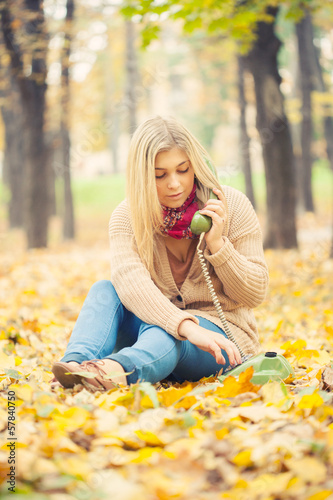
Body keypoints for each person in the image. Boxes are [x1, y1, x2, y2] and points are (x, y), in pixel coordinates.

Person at [51, 116, 268, 391]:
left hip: (220, 341)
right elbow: (131, 284)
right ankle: (75, 367)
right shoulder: (127, 217)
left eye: (183, 170)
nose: (174, 184)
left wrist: (218, 246)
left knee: (165, 331)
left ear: (197, 166)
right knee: (104, 290)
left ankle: (115, 372)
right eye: (159, 175)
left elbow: (255, 294)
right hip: (153, 334)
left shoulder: (232, 206)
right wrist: (185, 325)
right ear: (142, 176)